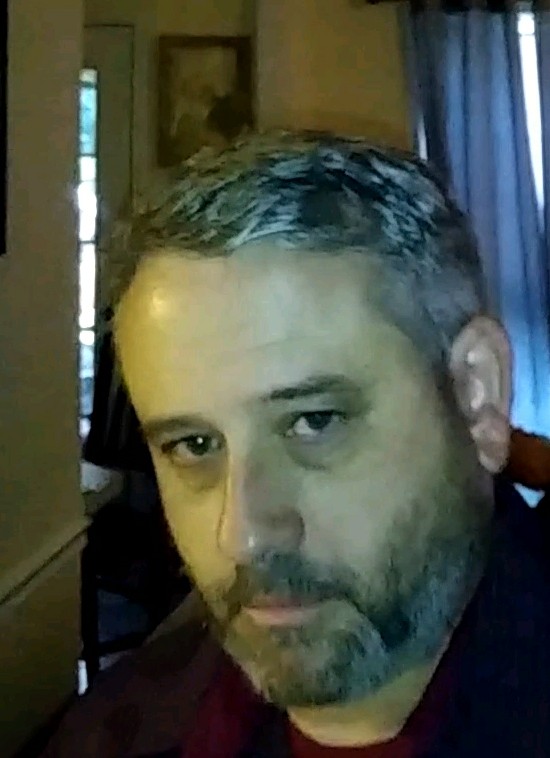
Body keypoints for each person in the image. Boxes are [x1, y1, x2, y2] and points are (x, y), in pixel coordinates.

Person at [43, 132, 550, 757]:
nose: (245, 535)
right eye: (195, 444)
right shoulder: (109, 733)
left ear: (476, 394)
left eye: (314, 421)